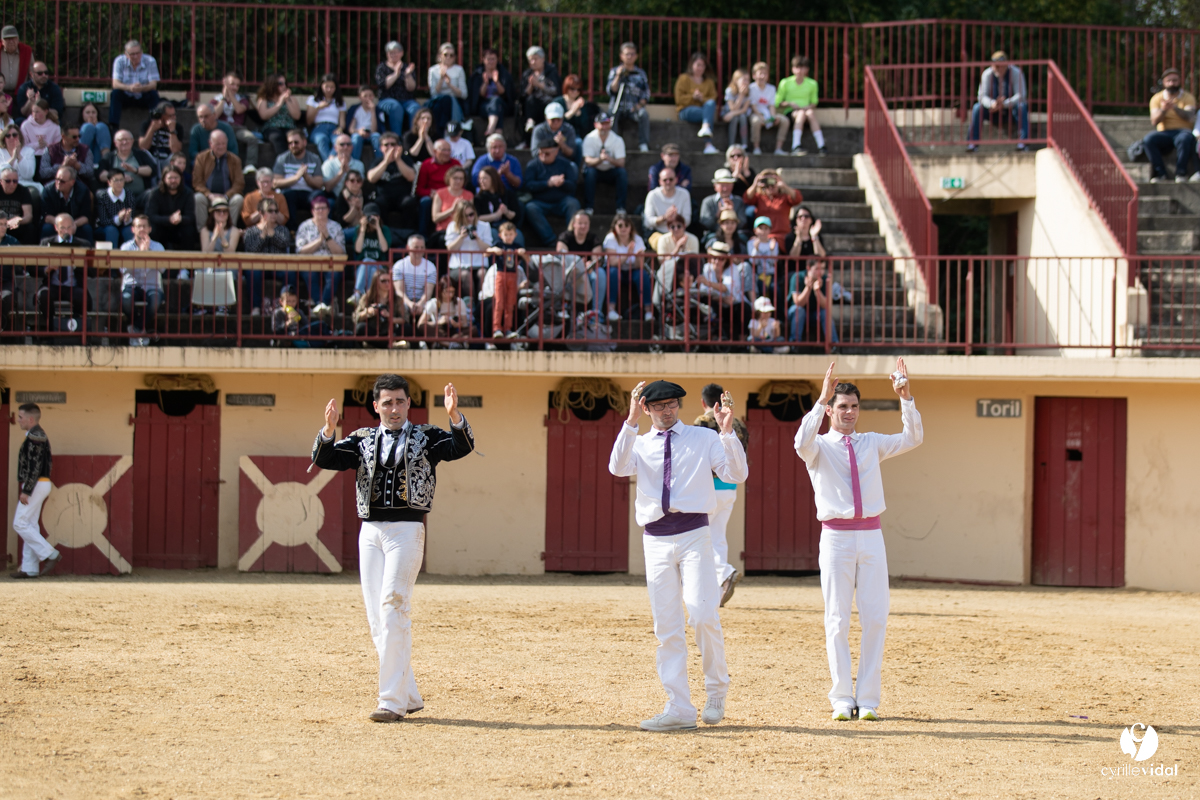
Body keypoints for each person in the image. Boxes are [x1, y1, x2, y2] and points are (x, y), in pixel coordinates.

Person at [312, 375, 475, 722]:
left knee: (393, 607)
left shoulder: (427, 437)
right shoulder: (361, 439)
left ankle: (390, 702)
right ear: (376, 406)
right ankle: (409, 693)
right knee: (377, 618)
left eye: (400, 401)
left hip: (406, 529)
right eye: (387, 402)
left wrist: (455, 417)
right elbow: (326, 459)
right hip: (369, 531)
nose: (394, 408)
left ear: (408, 404)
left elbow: (460, 448)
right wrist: (328, 430)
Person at [608, 380, 746, 731]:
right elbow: (617, 467)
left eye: (671, 404)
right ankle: (680, 708)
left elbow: (736, 474)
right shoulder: (639, 443)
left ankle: (716, 691)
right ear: (648, 409)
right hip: (655, 538)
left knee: (702, 613)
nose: (666, 411)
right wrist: (630, 420)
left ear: (679, 406)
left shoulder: (704, 438)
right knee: (666, 626)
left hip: (695, 534)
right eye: (658, 406)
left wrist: (728, 433)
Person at [796, 360, 922, 722]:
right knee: (836, 618)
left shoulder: (871, 443)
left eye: (853, 406)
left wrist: (906, 398)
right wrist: (820, 401)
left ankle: (867, 699)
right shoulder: (817, 446)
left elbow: (912, 438)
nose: (849, 412)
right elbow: (799, 440)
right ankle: (840, 698)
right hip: (835, 538)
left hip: (871, 537)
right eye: (841, 407)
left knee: (876, 618)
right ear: (831, 411)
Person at [692, 383, 750, 605]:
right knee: (718, 537)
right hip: (730, 488)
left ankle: (724, 573)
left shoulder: (702, 422)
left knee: (700, 537)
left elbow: (696, 456)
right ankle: (719, 589)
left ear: (703, 402)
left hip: (708, 488)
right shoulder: (739, 425)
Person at [9, 402, 60, 579]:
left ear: (30, 419)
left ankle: (49, 553)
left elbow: (34, 466)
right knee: (30, 524)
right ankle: (30, 568)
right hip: (39, 483)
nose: (18, 420)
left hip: (36, 484)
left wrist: (27, 490)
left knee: (20, 523)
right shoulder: (35, 435)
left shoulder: (35, 437)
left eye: (21, 417)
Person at [1141, 67, 1197, 182]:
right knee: (1148, 140)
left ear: (1179, 81)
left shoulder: (1188, 97)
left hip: (1183, 131)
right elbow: (1154, 121)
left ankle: (1181, 173)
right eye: (1169, 81)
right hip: (1164, 132)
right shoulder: (1157, 98)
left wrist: (1175, 108)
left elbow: (1190, 116)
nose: (1172, 83)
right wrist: (1164, 110)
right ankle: (1161, 174)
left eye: (1175, 80)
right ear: (1164, 82)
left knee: (1185, 138)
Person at [523, 139, 579, 247]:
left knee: (573, 204)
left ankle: (570, 239)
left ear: (556, 152)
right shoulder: (533, 165)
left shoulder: (565, 164)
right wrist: (547, 183)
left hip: (562, 201)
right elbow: (528, 186)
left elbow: (572, 186)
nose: (543, 156)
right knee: (530, 208)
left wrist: (562, 182)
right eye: (540, 153)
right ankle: (551, 241)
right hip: (540, 202)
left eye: (547, 153)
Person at [119, 215, 165, 345]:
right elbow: (123, 269)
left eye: (145, 226)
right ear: (133, 229)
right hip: (131, 285)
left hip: (152, 286)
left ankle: (136, 329)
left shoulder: (158, 247)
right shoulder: (126, 247)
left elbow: (162, 268)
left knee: (155, 300)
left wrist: (147, 253)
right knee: (126, 299)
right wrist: (141, 254)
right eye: (139, 226)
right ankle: (141, 330)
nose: (142, 229)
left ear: (150, 229)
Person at [242, 196, 294, 314]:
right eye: (270, 211)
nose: (274, 214)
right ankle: (256, 307)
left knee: (290, 273)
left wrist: (272, 234)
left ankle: (288, 307)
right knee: (252, 272)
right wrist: (262, 236)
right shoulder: (251, 231)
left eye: (276, 211)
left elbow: (285, 244)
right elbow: (251, 251)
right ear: (261, 213)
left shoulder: (283, 230)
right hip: (258, 266)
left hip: (279, 266)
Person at [37, 213, 92, 321]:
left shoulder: (84, 244)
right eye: (62, 228)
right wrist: (46, 269)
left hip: (73, 286)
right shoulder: (46, 243)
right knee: (43, 295)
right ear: (56, 228)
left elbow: (93, 271)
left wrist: (78, 264)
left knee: (82, 296)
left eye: (69, 227)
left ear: (74, 228)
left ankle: (76, 328)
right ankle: (50, 327)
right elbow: (34, 268)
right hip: (52, 284)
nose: (66, 231)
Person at [696, 239, 753, 339]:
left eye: (721, 259)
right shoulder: (706, 268)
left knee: (744, 309)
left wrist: (708, 283)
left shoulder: (733, 268)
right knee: (707, 304)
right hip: (717, 304)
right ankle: (712, 339)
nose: (717, 261)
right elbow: (704, 292)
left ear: (726, 260)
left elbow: (728, 288)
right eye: (714, 258)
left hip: (732, 306)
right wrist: (721, 299)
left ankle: (742, 342)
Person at [294, 194, 346, 305]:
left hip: (331, 262)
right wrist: (319, 240)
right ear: (312, 211)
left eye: (323, 208)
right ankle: (320, 304)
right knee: (310, 274)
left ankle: (323, 304)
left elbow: (341, 253)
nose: (321, 211)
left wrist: (327, 237)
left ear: (328, 210)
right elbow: (300, 251)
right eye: (318, 209)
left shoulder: (336, 227)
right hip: (309, 263)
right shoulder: (304, 226)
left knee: (334, 275)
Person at [366, 132, 419, 234]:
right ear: (381, 148)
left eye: (393, 144)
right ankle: (384, 234)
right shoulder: (377, 161)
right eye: (386, 145)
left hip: (402, 197)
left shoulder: (405, 159)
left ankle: (408, 234)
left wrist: (398, 160)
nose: (390, 147)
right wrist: (386, 162)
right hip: (384, 197)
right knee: (378, 204)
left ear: (398, 146)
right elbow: (371, 178)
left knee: (410, 203)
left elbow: (411, 177)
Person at [193, 129, 245, 231]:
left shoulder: (235, 160)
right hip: (208, 196)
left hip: (227, 196)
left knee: (238, 199)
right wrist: (209, 195)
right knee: (198, 198)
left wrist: (226, 196)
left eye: (223, 144)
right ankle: (204, 232)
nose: (221, 147)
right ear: (210, 143)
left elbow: (239, 183)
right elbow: (197, 182)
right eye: (217, 144)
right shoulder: (201, 158)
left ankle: (229, 231)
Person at [603, 212, 649, 323]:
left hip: (632, 271)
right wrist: (627, 255)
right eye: (620, 225)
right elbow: (613, 262)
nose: (623, 228)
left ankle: (649, 312)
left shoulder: (637, 239)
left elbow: (639, 265)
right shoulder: (610, 239)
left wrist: (638, 257)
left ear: (631, 227)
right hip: (616, 270)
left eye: (626, 225)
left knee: (642, 274)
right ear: (614, 227)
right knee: (613, 272)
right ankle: (611, 311)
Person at [273, 128, 323, 230]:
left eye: (296, 142)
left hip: (308, 193)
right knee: (287, 195)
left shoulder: (314, 158)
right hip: (290, 193)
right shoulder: (282, 158)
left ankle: (318, 228)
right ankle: (292, 230)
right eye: (290, 143)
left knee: (319, 196)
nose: (293, 145)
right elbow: (275, 183)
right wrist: (296, 177)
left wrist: (306, 177)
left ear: (304, 142)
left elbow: (319, 183)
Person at [556, 209, 605, 313]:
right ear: (574, 224)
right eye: (580, 223)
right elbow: (561, 255)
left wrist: (589, 265)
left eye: (585, 223)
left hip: (588, 271)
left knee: (600, 273)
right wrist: (578, 264)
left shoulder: (593, 238)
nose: (583, 226)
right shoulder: (565, 237)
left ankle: (596, 312)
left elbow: (597, 259)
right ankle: (565, 308)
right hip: (570, 271)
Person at [209, 71, 259, 171]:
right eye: (232, 84)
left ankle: (250, 166)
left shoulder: (242, 99)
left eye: (237, 85)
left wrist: (230, 96)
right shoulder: (215, 100)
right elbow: (214, 115)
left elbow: (239, 109)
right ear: (225, 82)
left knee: (252, 139)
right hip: (221, 129)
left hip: (237, 128)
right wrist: (224, 98)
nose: (235, 87)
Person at [606, 42, 651, 152]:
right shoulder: (615, 71)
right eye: (627, 54)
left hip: (633, 108)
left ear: (636, 56)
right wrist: (618, 75)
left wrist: (639, 105)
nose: (629, 57)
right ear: (621, 56)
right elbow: (611, 91)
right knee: (611, 114)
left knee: (643, 114)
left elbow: (646, 93)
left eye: (632, 54)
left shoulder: (640, 73)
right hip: (618, 107)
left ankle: (643, 144)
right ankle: (613, 144)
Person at [777, 55, 825, 156]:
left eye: (802, 67)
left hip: (806, 112)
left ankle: (822, 145)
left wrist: (807, 107)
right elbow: (778, 102)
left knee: (809, 112)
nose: (799, 71)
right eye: (797, 67)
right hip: (790, 113)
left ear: (806, 69)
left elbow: (814, 103)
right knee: (801, 114)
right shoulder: (785, 82)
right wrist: (790, 103)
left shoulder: (812, 84)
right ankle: (795, 145)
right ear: (792, 69)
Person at [581, 112, 627, 215]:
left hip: (611, 171)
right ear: (595, 125)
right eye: (602, 124)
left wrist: (609, 159)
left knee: (622, 173)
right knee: (590, 173)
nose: (604, 127)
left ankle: (621, 207)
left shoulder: (617, 140)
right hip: (595, 170)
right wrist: (600, 159)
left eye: (606, 123)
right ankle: (588, 207)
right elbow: (587, 161)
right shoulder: (589, 138)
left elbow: (621, 162)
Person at [485, 220, 526, 337]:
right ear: (500, 235)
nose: (508, 237)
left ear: (515, 235)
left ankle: (508, 329)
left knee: (510, 304)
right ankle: (496, 328)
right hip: (501, 274)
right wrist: (493, 250)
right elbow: (486, 252)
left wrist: (523, 253)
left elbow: (527, 259)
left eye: (511, 234)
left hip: (513, 276)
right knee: (499, 303)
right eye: (506, 234)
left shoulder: (517, 247)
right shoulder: (498, 244)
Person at [787, 259, 842, 344]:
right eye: (817, 269)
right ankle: (794, 344)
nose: (820, 272)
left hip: (815, 314)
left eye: (823, 268)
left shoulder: (825, 279)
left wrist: (817, 291)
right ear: (808, 268)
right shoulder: (798, 277)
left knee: (825, 313)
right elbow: (799, 303)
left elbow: (825, 305)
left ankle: (834, 344)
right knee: (799, 310)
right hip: (797, 312)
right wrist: (808, 288)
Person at [109, 40, 161, 128]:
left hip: (143, 95)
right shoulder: (119, 61)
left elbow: (153, 85)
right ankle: (113, 126)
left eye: (138, 53)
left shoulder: (150, 60)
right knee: (115, 94)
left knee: (153, 94)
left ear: (142, 52)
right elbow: (115, 84)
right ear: (126, 54)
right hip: (126, 95)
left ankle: (155, 124)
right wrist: (129, 88)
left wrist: (141, 88)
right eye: (132, 54)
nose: (136, 56)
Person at [445, 201, 491, 300]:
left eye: (471, 214)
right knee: (466, 275)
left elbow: (488, 248)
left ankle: (481, 304)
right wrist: (461, 237)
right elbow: (450, 248)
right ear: (460, 216)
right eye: (465, 216)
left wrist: (478, 238)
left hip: (479, 264)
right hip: (458, 266)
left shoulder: (484, 226)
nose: (469, 218)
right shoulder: (453, 226)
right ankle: (470, 305)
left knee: (482, 273)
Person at [652, 216, 700, 310]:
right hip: (669, 273)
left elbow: (694, 262)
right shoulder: (663, 239)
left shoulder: (693, 239)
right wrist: (677, 248)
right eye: (672, 227)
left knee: (688, 275)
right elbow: (662, 262)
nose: (676, 229)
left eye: (679, 226)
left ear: (684, 226)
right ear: (668, 228)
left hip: (688, 271)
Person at [468, 47, 517, 140]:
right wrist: (485, 83)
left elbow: (504, 93)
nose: (491, 61)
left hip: (501, 103)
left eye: (493, 59)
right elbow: (480, 95)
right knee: (497, 107)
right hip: (484, 106)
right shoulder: (478, 74)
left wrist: (496, 81)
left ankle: (491, 128)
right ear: (483, 60)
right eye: (488, 59)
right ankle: (498, 131)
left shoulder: (503, 74)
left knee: (496, 100)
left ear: (497, 60)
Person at [675, 52, 719, 154]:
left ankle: (705, 128)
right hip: (686, 110)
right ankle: (708, 143)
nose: (700, 68)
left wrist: (702, 98)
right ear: (692, 65)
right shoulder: (683, 78)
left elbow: (713, 98)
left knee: (710, 104)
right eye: (698, 65)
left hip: (703, 110)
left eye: (703, 65)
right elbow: (679, 99)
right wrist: (693, 97)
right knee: (708, 115)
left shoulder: (709, 82)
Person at [145, 166, 197, 250]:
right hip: (161, 226)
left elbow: (191, 216)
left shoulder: (188, 193)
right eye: (170, 178)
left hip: (180, 227)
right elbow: (151, 215)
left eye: (176, 178)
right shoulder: (155, 193)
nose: (173, 180)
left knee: (189, 230)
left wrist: (180, 219)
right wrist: (169, 219)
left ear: (180, 178)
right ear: (164, 179)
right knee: (153, 229)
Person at [743, 169, 801, 244]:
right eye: (766, 181)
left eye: (773, 181)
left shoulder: (784, 197)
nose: (770, 186)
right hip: (763, 237)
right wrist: (755, 184)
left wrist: (784, 186)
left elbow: (797, 198)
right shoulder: (759, 197)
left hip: (781, 237)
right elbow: (747, 198)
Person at [375, 41, 421, 137]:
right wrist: (396, 73)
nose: (394, 54)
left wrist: (407, 75)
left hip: (406, 100)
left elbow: (411, 88)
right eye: (391, 52)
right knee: (396, 107)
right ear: (387, 54)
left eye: (396, 52)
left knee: (415, 108)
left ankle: (413, 137)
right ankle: (397, 138)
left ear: (402, 53)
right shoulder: (382, 68)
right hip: (387, 99)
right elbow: (384, 85)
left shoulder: (407, 68)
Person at [392, 234, 438, 329]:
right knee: (401, 306)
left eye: (422, 247)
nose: (419, 250)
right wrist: (410, 304)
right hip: (404, 301)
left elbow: (428, 293)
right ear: (408, 248)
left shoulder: (431, 267)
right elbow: (399, 292)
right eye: (416, 247)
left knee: (430, 306)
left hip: (422, 302)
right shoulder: (399, 266)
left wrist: (420, 304)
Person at [98, 130, 156, 202]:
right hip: (116, 197)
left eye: (127, 139)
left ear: (132, 141)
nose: (124, 142)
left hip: (139, 195)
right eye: (121, 140)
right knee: (100, 194)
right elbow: (101, 175)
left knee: (152, 193)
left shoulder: (141, 154)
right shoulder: (109, 157)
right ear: (115, 143)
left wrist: (135, 170)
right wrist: (120, 177)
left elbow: (151, 170)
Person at [519, 46, 561, 146]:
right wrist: (531, 85)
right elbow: (523, 95)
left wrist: (539, 85)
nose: (533, 62)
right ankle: (529, 125)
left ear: (543, 59)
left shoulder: (551, 72)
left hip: (548, 102)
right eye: (530, 60)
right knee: (530, 100)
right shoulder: (527, 74)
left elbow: (555, 91)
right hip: (532, 106)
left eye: (535, 59)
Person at [255, 73, 303, 159]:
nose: (284, 86)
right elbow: (264, 115)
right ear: (272, 85)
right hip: (271, 127)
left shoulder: (292, 99)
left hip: (289, 126)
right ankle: (283, 161)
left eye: (285, 83)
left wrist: (287, 101)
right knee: (276, 137)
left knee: (293, 137)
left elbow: (297, 116)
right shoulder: (264, 98)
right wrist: (280, 103)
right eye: (280, 84)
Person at [642, 167, 691, 249]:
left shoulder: (684, 194)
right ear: (660, 181)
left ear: (676, 180)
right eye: (665, 180)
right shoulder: (652, 195)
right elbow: (647, 222)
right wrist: (665, 217)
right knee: (663, 242)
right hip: (657, 233)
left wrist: (675, 218)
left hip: (679, 233)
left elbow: (687, 220)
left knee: (692, 240)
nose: (668, 182)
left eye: (671, 179)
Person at [350, 203, 390, 300]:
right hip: (362, 270)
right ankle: (368, 297)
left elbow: (384, 248)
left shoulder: (384, 230)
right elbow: (358, 249)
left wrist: (378, 229)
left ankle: (358, 293)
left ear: (379, 217)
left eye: (375, 216)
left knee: (370, 263)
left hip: (380, 267)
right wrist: (363, 230)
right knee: (369, 264)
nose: (372, 219)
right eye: (369, 217)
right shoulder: (359, 229)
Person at [748, 62, 789, 156]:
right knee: (756, 121)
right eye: (760, 73)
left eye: (765, 74)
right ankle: (756, 148)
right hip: (755, 113)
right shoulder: (751, 88)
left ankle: (778, 148)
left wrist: (773, 117)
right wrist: (760, 117)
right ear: (754, 75)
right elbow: (753, 106)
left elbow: (771, 106)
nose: (762, 76)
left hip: (768, 113)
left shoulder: (771, 88)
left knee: (784, 120)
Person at [41, 165, 92, 241]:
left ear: (72, 182)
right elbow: (46, 216)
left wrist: (72, 225)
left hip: (75, 223)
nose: (58, 183)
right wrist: (61, 226)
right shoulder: (48, 190)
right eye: (56, 179)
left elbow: (85, 216)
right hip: (55, 223)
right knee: (46, 228)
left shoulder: (83, 191)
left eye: (62, 181)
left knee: (86, 229)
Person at [38, 123, 96, 188]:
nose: (77, 139)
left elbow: (91, 172)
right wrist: (62, 166)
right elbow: (43, 173)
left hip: (79, 188)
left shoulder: (85, 150)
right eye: (74, 137)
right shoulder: (50, 150)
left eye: (79, 136)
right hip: (55, 187)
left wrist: (77, 165)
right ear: (63, 136)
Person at [427, 42, 468, 134]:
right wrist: (441, 79)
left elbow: (464, 94)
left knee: (447, 100)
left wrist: (450, 85)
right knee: (440, 104)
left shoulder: (459, 70)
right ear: (440, 55)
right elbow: (433, 93)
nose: (448, 57)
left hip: (454, 102)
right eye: (446, 55)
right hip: (437, 101)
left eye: (451, 55)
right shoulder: (433, 70)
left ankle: (441, 131)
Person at [418, 276, 471, 342]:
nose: (450, 295)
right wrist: (438, 322)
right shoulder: (433, 303)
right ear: (441, 290)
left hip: (455, 331)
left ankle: (450, 341)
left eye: (452, 292)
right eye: (447, 292)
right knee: (424, 328)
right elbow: (420, 324)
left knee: (473, 329)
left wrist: (457, 324)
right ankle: (448, 343)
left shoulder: (459, 302)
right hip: (440, 331)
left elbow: (465, 323)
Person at [306, 73, 346, 162]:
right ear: (321, 86)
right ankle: (329, 163)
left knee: (340, 141)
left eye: (332, 87)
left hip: (334, 128)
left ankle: (331, 158)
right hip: (319, 128)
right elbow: (309, 121)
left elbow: (342, 122)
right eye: (326, 86)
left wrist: (340, 128)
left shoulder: (340, 102)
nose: (329, 89)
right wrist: (318, 108)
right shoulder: (313, 99)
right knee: (322, 139)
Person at [137, 101, 184, 169]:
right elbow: (143, 147)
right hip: (151, 159)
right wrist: (152, 129)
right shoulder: (147, 125)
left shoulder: (178, 127)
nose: (174, 118)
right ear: (162, 115)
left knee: (176, 158)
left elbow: (176, 150)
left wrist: (172, 131)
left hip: (168, 160)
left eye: (174, 115)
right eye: (170, 116)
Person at [699, 168, 747, 235]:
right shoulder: (707, 202)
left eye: (728, 185)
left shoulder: (738, 201)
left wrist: (732, 213)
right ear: (715, 186)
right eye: (722, 185)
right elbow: (705, 224)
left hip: (735, 235)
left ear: (733, 185)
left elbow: (742, 223)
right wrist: (718, 214)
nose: (725, 189)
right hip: (714, 234)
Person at [474, 164, 517, 235]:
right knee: (493, 233)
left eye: (485, 178)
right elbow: (477, 217)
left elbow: (516, 215)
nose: (481, 181)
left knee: (517, 235)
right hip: (488, 228)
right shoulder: (478, 197)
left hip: (506, 227)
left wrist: (506, 211)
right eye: (480, 178)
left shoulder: (507, 194)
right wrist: (496, 215)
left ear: (493, 178)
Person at [532, 102, 580, 166]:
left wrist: (562, 144)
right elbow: (534, 152)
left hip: (563, 163)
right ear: (546, 117)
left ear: (562, 117)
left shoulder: (569, 129)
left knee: (573, 165)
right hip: (542, 163)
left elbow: (571, 153)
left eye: (558, 119)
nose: (556, 122)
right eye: (553, 119)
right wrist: (550, 152)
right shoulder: (539, 130)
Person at [96, 169, 135, 246]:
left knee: (129, 230)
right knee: (111, 230)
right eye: (116, 180)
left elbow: (132, 216)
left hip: (124, 226)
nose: (119, 183)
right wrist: (118, 219)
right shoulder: (103, 196)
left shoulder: (129, 194)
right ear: (109, 182)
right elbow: (103, 221)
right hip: (105, 227)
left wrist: (128, 218)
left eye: (121, 180)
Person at [554, 74, 598, 141]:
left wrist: (579, 114)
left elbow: (585, 126)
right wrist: (572, 112)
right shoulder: (558, 102)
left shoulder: (582, 103)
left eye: (578, 89)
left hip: (577, 136)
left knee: (579, 142)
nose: (575, 92)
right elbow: (556, 122)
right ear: (566, 87)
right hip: (560, 134)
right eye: (572, 89)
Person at [348, 84, 385, 163]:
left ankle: (380, 161)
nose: (368, 98)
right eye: (365, 96)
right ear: (360, 97)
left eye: (370, 95)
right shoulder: (356, 109)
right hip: (359, 133)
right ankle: (354, 162)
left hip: (371, 134)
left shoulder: (377, 110)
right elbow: (351, 129)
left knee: (376, 137)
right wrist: (359, 131)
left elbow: (374, 130)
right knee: (356, 138)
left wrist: (373, 111)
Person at [353, 270, 395, 339]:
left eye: (389, 280)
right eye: (383, 281)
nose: (387, 283)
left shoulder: (396, 298)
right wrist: (368, 312)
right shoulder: (367, 297)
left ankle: (387, 344)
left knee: (406, 328)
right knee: (360, 328)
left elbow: (404, 318)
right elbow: (355, 317)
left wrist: (390, 317)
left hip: (390, 331)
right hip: (373, 330)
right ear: (376, 282)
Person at [431, 165, 473, 233]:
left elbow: (471, 216)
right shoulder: (440, 193)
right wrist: (452, 209)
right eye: (455, 178)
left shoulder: (469, 195)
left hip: (463, 230)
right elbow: (435, 218)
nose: (458, 181)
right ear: (449, 178)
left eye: (461, 178)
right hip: (444, 231)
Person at [748, 216, 780, 297]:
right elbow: (753, 262)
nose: (763, 231)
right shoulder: (751, 243)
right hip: (757, 275)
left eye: (766, 228)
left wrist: (772, 250)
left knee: (776, 290)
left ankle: (779, 310)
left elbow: (773, 262)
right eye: (761, 228)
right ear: (755, 230)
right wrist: (756, 249)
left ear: (770, 230)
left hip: (771, 275)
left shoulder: (774, 243)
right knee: (762, 289)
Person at [0, 165, 33, 243]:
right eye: (8, 181)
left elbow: (28, 215)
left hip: (16, 225)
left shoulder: (23, 191)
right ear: (1, 181)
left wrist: (19, 220)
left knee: (30, 228)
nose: (12, 184)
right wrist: (5, 223)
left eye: (15, 181)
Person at [1, 27, 33, 102]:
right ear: (2, 41)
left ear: (18, 39)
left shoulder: (26, 52)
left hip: (21, 94)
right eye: (8, 39)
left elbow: (32, 73)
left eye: (14, 38)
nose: (11, 41)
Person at [0, 124, 36, 192]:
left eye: (14, 135)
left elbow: (29, 175)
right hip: (3, 185)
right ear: (4, 138)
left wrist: (19, 156)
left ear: (19, 137)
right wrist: (13, 158)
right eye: (8, 136)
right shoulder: (0, 152)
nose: (11, 138)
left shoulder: (29, 151)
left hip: (25, 184)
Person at [723, 69, 752, 149]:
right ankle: (731, 145)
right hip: (729, 114)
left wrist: (732, 113)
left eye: (748, 80)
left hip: (738, 114)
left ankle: (744, 144)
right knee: (735, 118)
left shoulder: (749, 91)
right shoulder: (729, 91)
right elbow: (732, 108)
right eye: (744, 80)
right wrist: (741, 95)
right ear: (736, 80)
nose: (746, 82)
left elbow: (744, 110)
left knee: (742, 117)